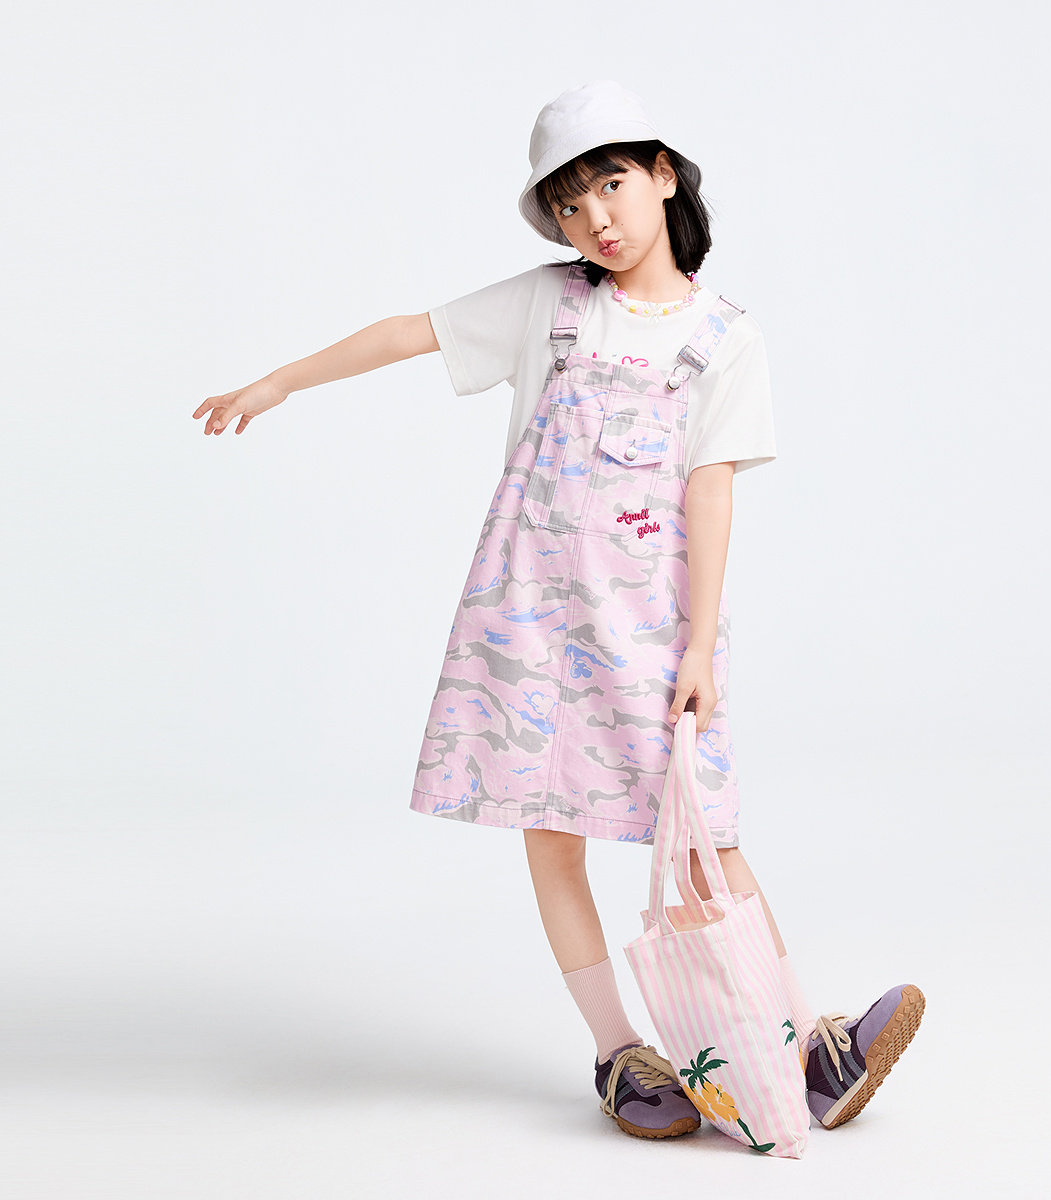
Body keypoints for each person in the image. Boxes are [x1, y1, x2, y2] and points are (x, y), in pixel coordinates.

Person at [193, 79, 924, 1143]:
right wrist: (279, 383)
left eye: (611, 186)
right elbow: (409, 332)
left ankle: (806, 1045)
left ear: (662, 175)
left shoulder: (726, 338)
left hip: (654, 629)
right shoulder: (551, 304)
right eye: (570, 205)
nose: (596, 220)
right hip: (531, 619)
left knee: (706, 837)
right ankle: (621, 1054)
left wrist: (700, 645)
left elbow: (710, 491)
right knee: (552, 837)